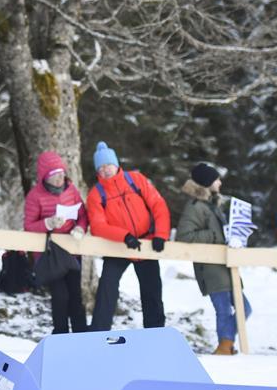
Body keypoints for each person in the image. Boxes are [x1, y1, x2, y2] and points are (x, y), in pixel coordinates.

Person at [86, 141, 170, 331]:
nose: (106, 170)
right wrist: (124, 236)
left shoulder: (136, 179)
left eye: (108, 165)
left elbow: (158, 205)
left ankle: (155, 332)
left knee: (152, 290)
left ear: (116, 164)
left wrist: (161, 234)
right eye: (101, 167)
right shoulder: (95, 195)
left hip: (146, 243)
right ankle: (99, 331)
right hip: (117, 246)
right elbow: (98, 226)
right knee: (107, 287)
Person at [176, 163, 252, 354]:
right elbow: (184, 236)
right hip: (210, 268)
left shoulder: (213, 205)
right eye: (216, 179)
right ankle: (225, 347)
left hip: (226, 265)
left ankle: (225, 343)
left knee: (245, 309)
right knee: (224, 310)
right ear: (207, 182)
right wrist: (214, 236)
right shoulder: (195, 207)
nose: (220, 182)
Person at [24, 151, 89, 334]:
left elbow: (83, 215)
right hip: (50, 254)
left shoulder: (71, 189)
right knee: (60, 296)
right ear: (45, 177)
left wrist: (80, 228)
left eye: (61, 173)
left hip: (72, 250)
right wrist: (48, 223)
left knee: (75, 296)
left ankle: (81, 333)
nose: (60, 178)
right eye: (55, 175)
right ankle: (60, 333)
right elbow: (28, 226)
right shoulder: (35, 196)